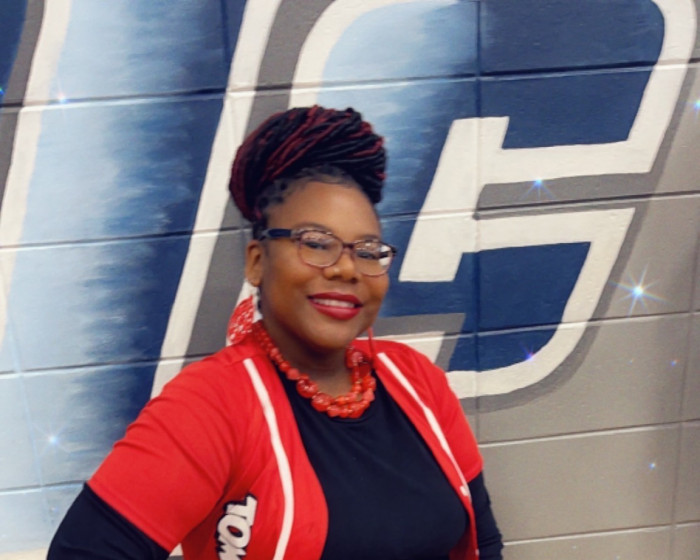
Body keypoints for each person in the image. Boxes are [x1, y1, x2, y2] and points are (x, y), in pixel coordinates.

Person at [48, 106, 503, 560]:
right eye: (316, 243)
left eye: (367, 251)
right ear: (256, 262)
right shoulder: (212, 406)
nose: (347, 268)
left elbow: (483, 543)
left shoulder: (417, 382)